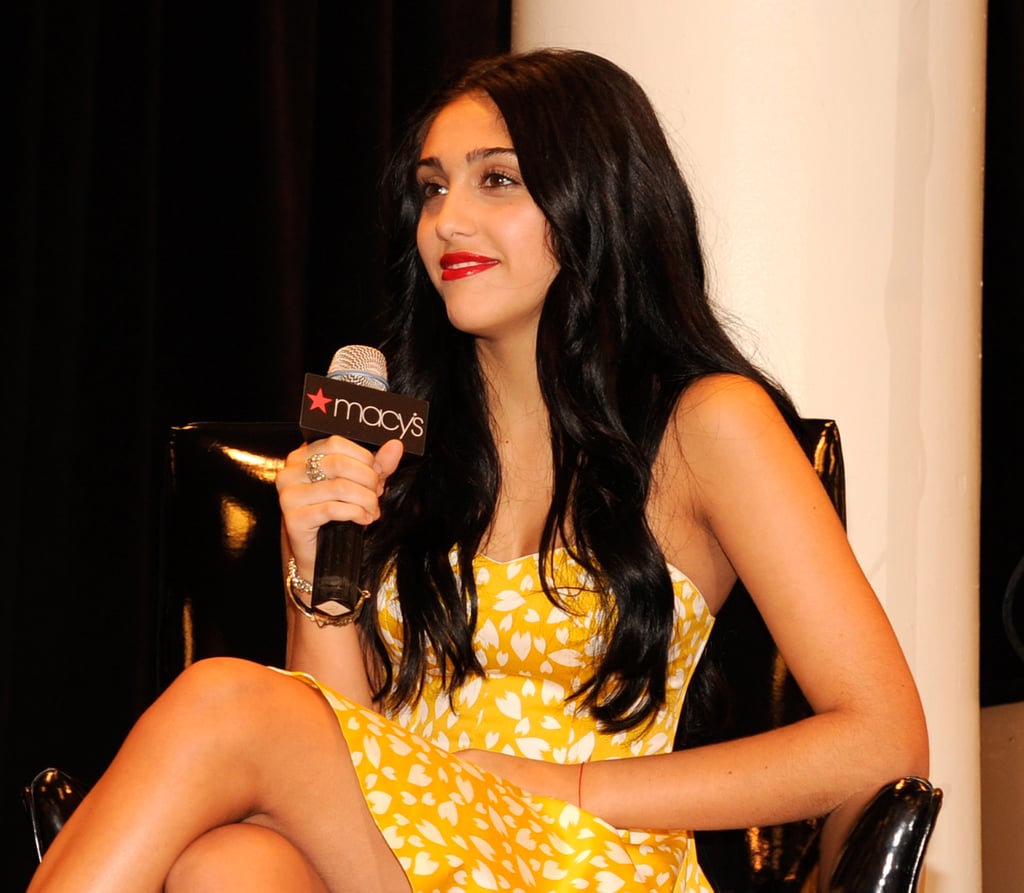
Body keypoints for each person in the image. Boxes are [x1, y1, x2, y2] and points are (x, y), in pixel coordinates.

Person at [28, 48, 928, 892]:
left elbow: (882, 737)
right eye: (431, 189)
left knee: (225, 697)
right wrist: (315, 575)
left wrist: (569, 785)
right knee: (234, 868)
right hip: (413, 843)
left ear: (594, 200)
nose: (446, 220)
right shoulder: (403, 433)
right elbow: (352, 741)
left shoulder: (705, 424)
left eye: (496, 180)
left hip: (585, 853)